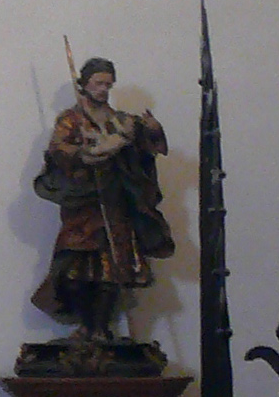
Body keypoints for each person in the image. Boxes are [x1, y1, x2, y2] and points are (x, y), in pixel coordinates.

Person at [29, 56, 173, 357]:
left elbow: (146, 150)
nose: (104, 89)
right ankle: (85, 323)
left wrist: (153, 130)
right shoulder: (71, 119)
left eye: (108, 84)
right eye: (98, 83)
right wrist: (85, 152)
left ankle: (99, 328)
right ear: (84, 83)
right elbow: (58, 149)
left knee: (112, 270)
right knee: (72, 267)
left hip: (114, 201)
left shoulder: (120, 119)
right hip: (83, 203)